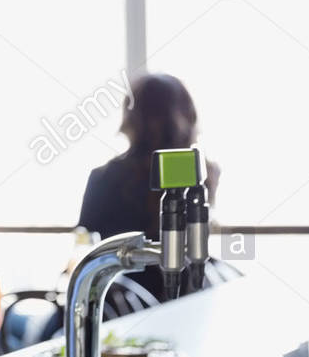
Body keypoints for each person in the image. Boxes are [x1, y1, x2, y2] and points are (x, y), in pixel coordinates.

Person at [77, 72, 221, 302]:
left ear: (131, 118)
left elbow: (86, 241)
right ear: (187, 114)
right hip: (192, 297)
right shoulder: (204, 174)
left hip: (119, 302)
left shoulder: (104, 178)